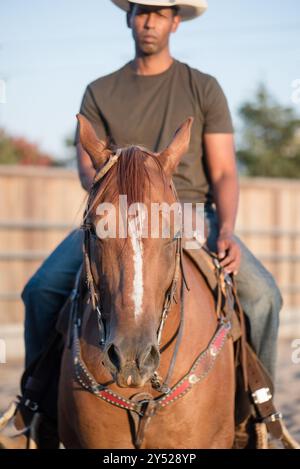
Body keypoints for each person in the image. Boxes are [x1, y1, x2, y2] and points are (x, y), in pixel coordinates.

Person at [22, 0, 282, 379]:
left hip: (188, 213)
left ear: (175, 22)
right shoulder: (99, 91)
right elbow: (86, 169)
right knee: (41, 291)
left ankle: (263, 407)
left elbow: (225, 171)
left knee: (263, 296)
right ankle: (36, 404)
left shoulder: (203, 87)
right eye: (142, 11)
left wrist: (226, 230)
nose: (149, 22)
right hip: (116, 215)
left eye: (160, 13)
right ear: (129, 18)